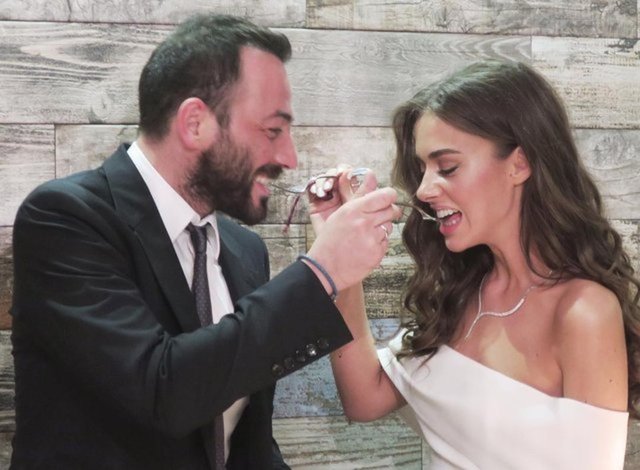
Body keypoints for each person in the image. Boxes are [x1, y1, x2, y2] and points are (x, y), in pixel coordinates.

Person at [9, 14, 399, 469]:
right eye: (271, 131)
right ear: (195, 123)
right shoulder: (64, 218)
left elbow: (245, 444)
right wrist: (321, 272)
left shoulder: (244, 250)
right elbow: (162, 392)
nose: (289, 158)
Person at [322, 60, 640, 469]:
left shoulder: (583, 312)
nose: (423, 189)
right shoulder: (460, 293)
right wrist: (339, 263)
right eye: (422, 170)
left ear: (519, 164)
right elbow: (364, 398)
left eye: (447, 167)